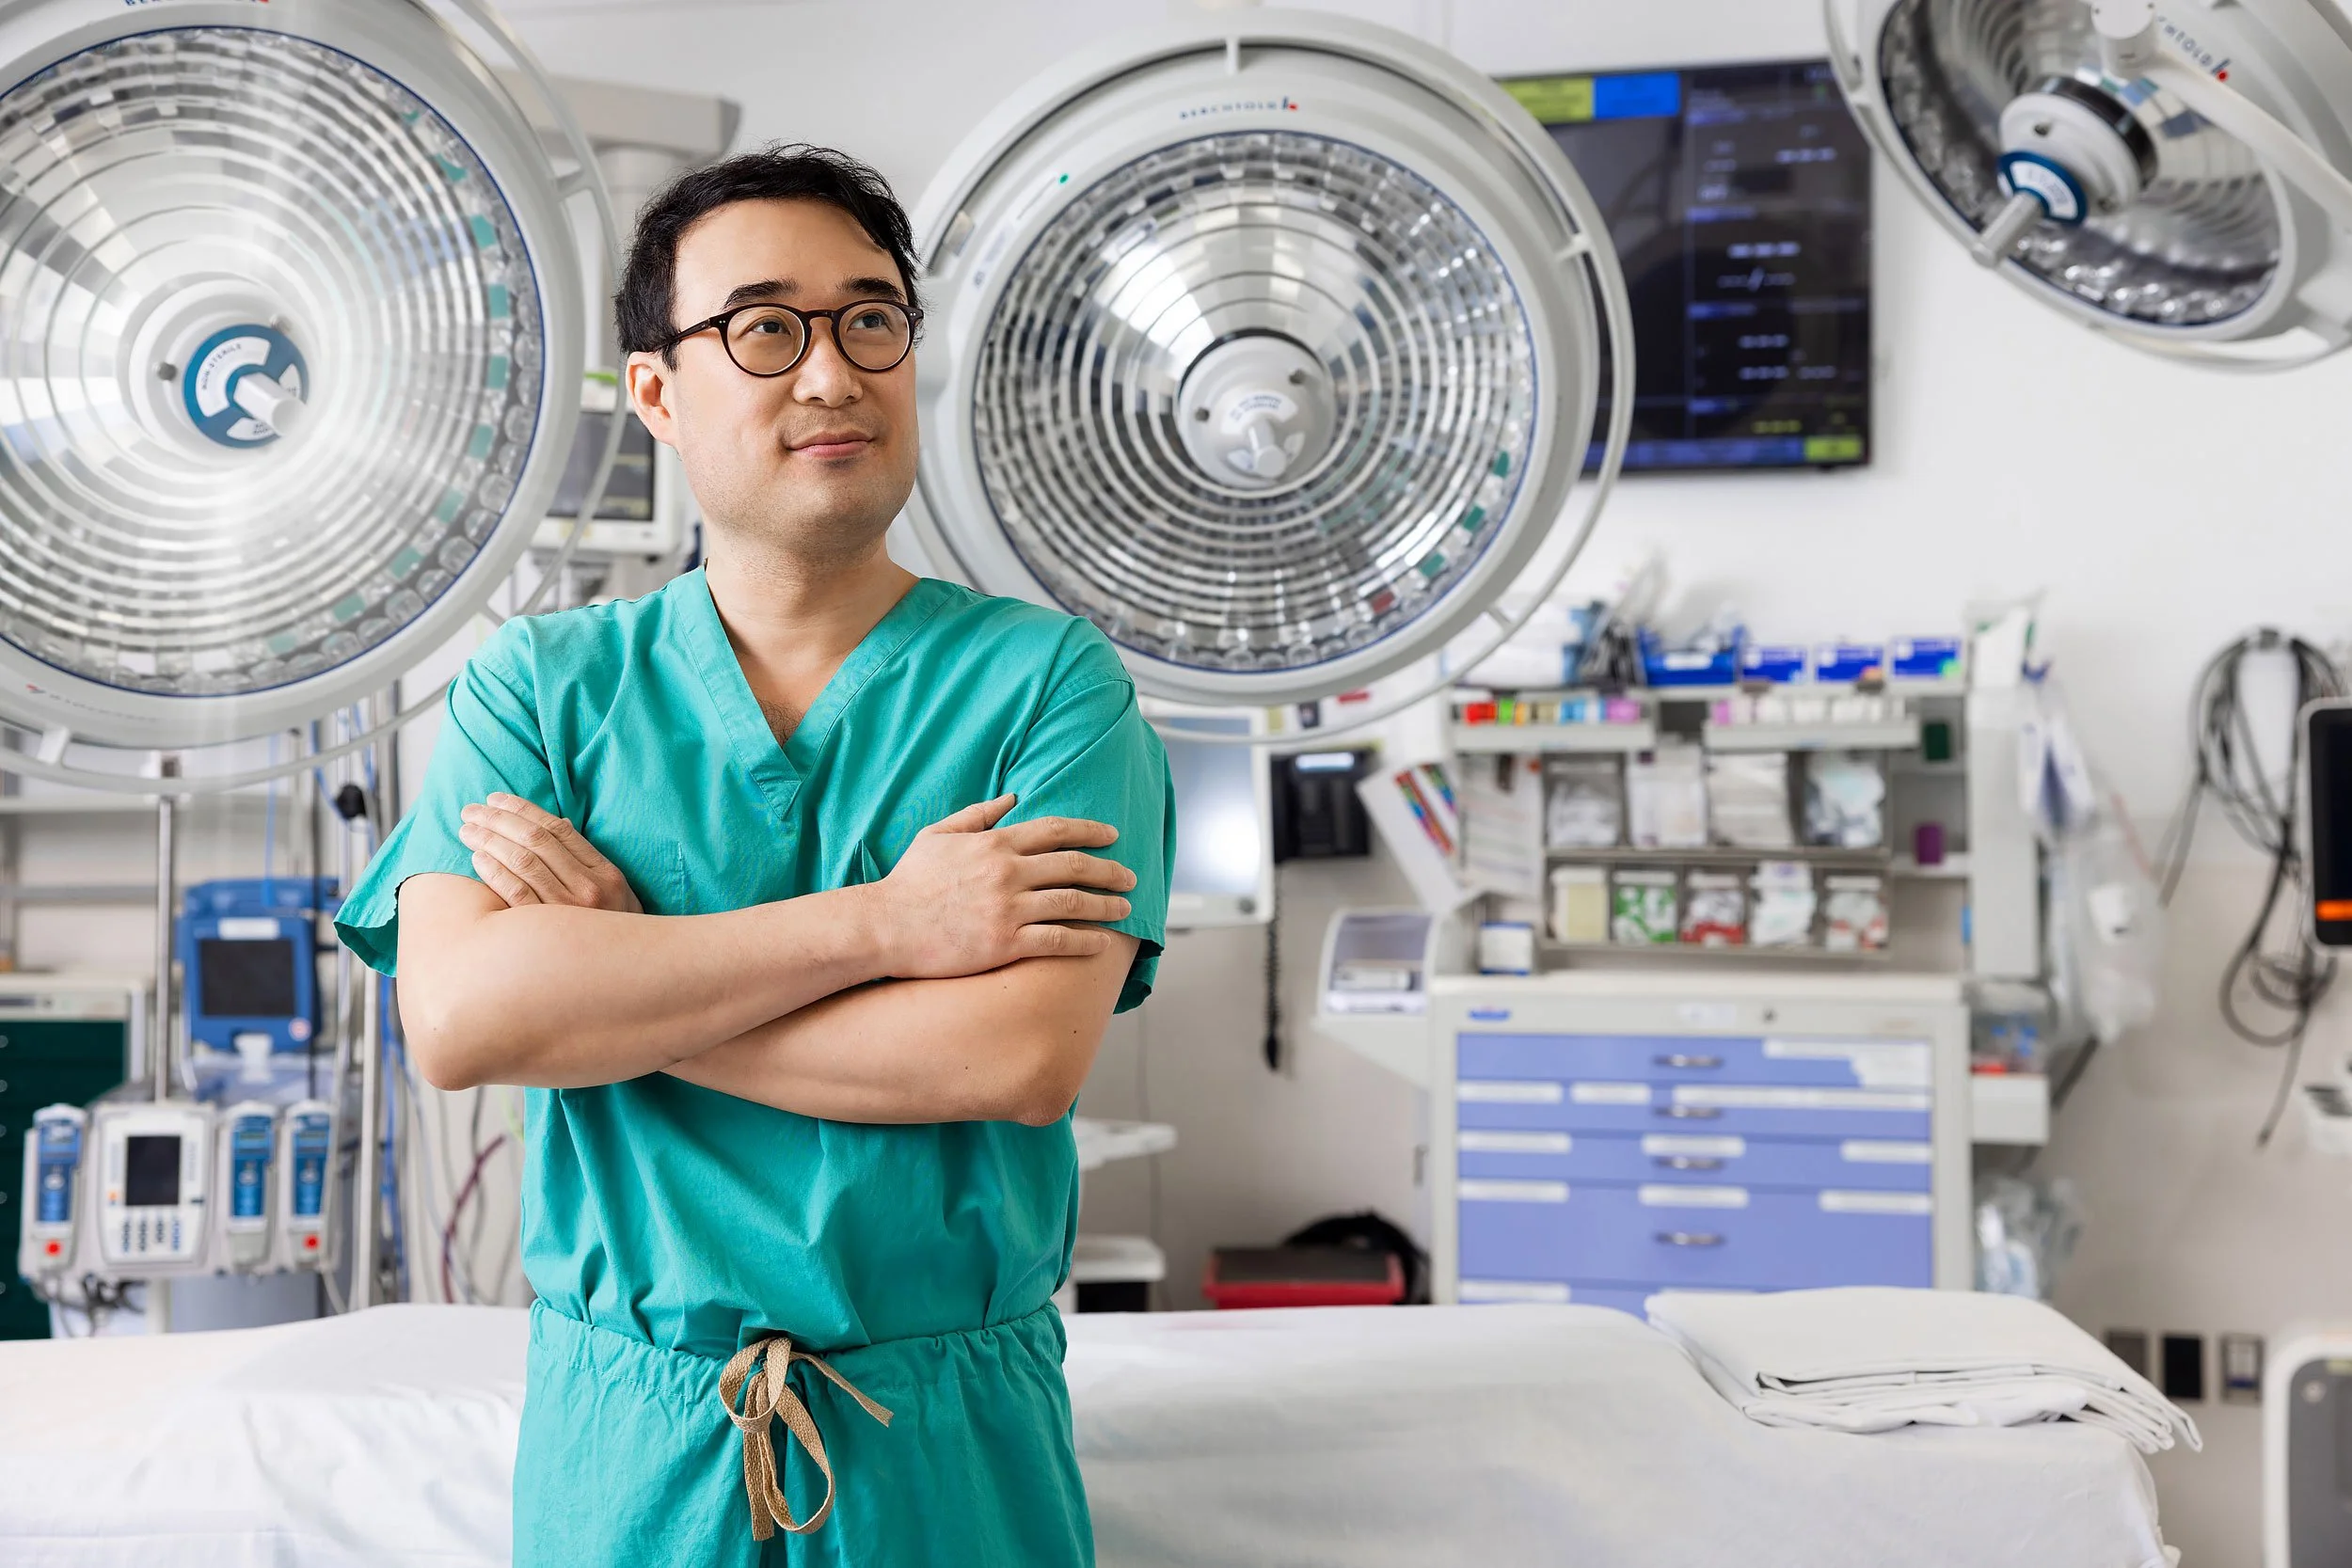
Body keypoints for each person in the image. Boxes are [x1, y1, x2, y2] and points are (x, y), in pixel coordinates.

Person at [333, 145, 1174, 1566]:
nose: (833, 374)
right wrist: (884, 927)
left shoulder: (1049, 687)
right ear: (657, 390)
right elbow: (467, 1021)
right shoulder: (539, 690)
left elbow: (1018, 1057)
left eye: (871, 320)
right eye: (766, 328)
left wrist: (612, 989)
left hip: (946, 1449)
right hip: (633, 1455)